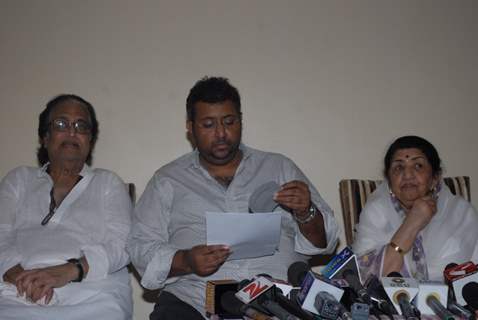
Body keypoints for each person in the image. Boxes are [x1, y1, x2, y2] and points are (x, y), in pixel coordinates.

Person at [127, 76, 339, 319]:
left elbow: (326, 242)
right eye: (208, 125)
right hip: (194, 300)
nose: (221, 133)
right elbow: (139, 246)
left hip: (278, 300)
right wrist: (185, 260)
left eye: (229, 121)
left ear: (240, 120)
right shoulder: (167, 180)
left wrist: (306, 212)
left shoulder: (279, 167)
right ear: (190, 127)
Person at [0, 94, 133, 319]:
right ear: (45, 136)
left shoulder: (107, 182)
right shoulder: (19, 179)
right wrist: (20, 276)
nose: (72, 132)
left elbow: (124, 244)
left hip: (89, 291)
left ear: (89, 141)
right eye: (61, 124)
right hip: (18, 288)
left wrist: (70, 271)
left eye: (81, 126)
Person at [353, 135, 478, 281]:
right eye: (398, 167)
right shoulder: (375, 213)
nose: (407, 175)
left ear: (435, 177)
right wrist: (411, 223)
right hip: (390, 302)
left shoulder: (461, 213)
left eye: (418, 166)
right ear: (389, 180)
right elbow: (367, 280)